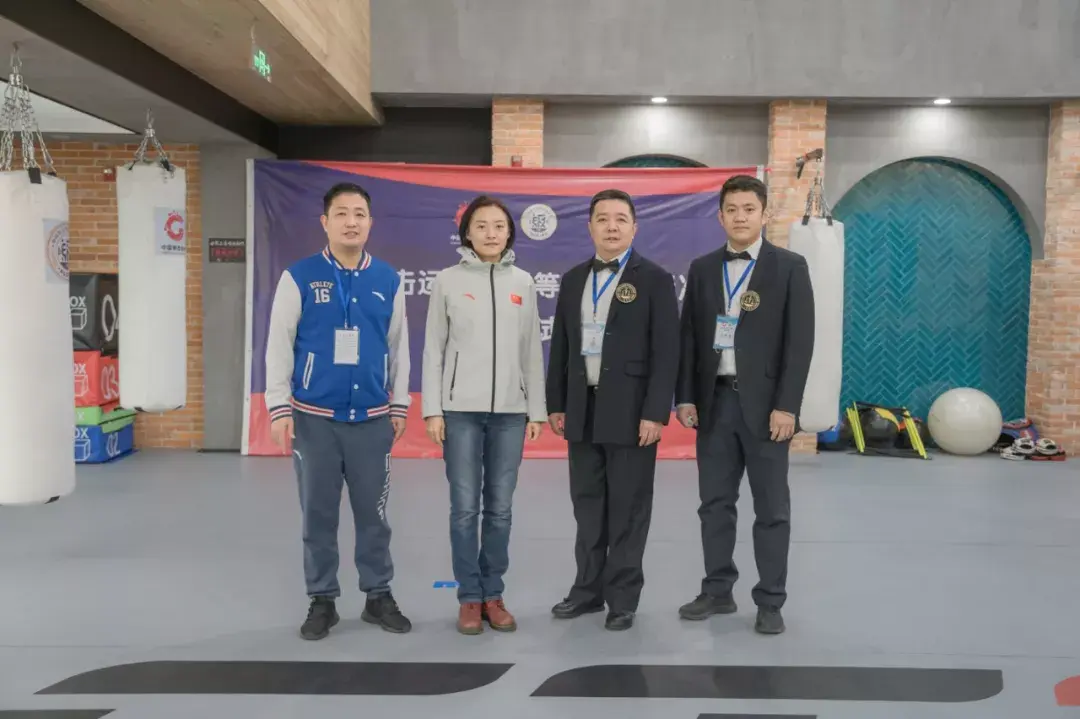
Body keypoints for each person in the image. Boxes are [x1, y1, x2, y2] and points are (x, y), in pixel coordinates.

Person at [264, 182, 412, 641]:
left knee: (374, 516)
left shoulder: (387, 279)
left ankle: (378, 595)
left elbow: (399, 347)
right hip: (314, 420)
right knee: (318, 515)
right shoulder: (299, 277)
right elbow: (279, 344)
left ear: (370, 222)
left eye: (360, 214)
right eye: (342, 213)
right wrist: (278, 407)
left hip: (372, 420)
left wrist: (399, 403)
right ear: (325, 222)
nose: (352, 222)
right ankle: (322, 599)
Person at [674, 174, 815, 635]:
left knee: (771, 509)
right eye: (731, 210)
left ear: (764, 214)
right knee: (714, 504)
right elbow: (689, 338)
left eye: (748, 209)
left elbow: (800, 344)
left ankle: (770, 600)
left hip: (767, 409)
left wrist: (787, 407)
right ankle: (717, 590)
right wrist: (686, 396)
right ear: (720, 216)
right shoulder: (702, 268)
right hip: (714, 404)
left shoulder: (790, 267)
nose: (740, 217)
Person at [545, 188, 680, 631]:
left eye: (620, 219)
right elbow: (561, 346)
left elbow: (667, 351)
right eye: (602, 219)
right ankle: (587, 591)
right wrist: (556, 404)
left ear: (634, 228)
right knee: (587, 506)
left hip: (632, 412)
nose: (611, 226)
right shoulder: (573, 279)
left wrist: (655, 412)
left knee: (628, 508)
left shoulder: (655, 279)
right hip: (582, 409)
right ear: (590, 227)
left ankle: (622, 598)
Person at [421, 195, 547, 635]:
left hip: (511, 414)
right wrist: (433, 409)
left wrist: (536, 410)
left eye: (499, 226)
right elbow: (434, 348)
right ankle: (469, 598)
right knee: (463, 509)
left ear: (509, 232)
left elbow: (531, 350)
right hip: (460, 413)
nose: (491, 233)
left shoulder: (524, 282)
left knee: (500, 509)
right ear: (467, 233)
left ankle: (493, 593)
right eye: (481, 225)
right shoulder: (448, 281)